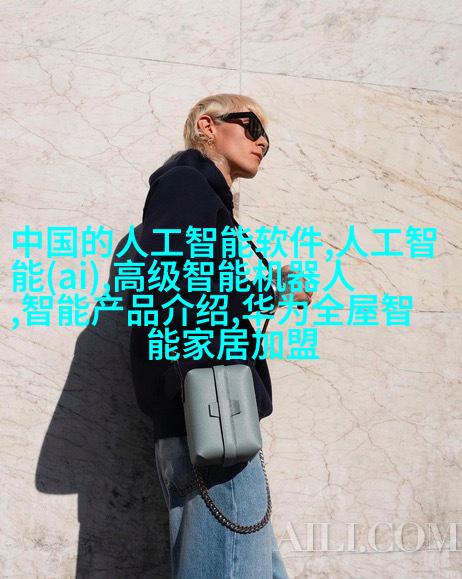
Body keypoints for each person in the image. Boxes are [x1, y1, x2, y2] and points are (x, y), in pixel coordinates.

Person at [129, 93, 312, 578]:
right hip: (212, 416)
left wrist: (269, 292)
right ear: (208, 126)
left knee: (257, 567)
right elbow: (172, 286)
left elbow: (196, 287)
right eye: (251, 126)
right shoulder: (185, 183)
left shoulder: (198, 193)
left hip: (209, 416)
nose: (262, 141)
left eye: (266, 136)